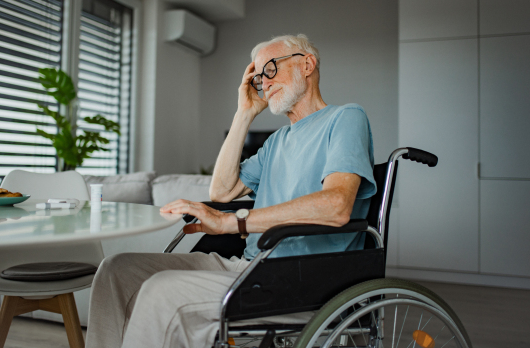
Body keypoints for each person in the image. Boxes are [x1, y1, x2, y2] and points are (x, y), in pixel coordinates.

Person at [85, 34, 376, 348]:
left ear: (307, 65)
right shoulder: (277, 141)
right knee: (116, 270)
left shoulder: (345, 118)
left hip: (303, 278)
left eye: (271, 69)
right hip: (250, 266)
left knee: (162, 289)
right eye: (258, 76)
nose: (263, 82)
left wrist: (232, 222)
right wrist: (245, 113)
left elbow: (336, 205)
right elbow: (222, 191)